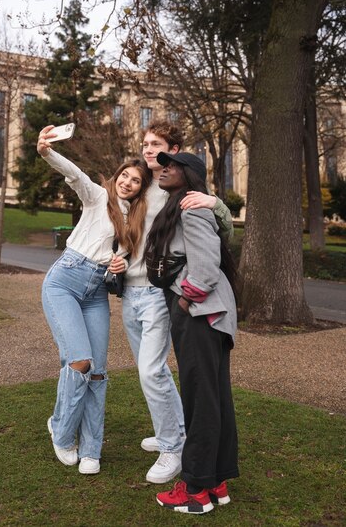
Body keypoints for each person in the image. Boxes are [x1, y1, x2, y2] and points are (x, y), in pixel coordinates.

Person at [122, 120, 233, 484]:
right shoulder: (140, 183)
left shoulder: (189, 198)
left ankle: (181, 456)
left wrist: (188, 299)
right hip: (139, 291)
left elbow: (212, 243)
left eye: (157, 145)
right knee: (164, 376)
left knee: (158, 373)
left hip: (180, 299)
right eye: (146, 144)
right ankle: (184, 448)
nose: (149, 150)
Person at [37, 125, 150, 475]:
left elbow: (132, 258)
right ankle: (60, 426)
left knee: (98, 373)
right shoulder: (98, 197)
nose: (128, 182)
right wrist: (46, 152)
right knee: (80, 361)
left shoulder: (137, 219)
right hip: (65, 282)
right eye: (125, 176)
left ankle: (91, 448)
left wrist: (122, 262)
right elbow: (74, 174)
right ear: (117, 177)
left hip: (97, 293)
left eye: (135, 180)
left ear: (141, 188)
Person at [144, 151, 239, 514]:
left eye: (172, 165)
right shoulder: (183, 206)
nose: (164, 168)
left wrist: (186, 300)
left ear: (190, 174)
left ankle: (196, 489)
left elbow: (206, 265)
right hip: (209, 314)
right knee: (213, 398)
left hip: (200, 312)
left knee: (199, 401)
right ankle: (216, 479)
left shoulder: (193, 207)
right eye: (162, 164)